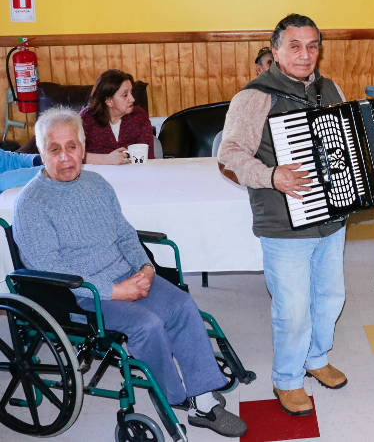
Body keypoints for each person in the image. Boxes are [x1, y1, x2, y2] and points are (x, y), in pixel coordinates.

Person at [13, 108, 246, 437]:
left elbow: (125, 234)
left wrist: (146, 267)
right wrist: (115, 291)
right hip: (83, 294)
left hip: (126, 272)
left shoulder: (96, 183)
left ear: (83, 147)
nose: (65, 157)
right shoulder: (32, 204)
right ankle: (177, 396)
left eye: (72, 147)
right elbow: (51, 267)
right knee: (147, 325)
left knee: (181, 305)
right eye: (54, 149)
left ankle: (204, 399)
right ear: (41, 152)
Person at [218, 13, 374, 416]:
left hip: (332, 217)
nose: (305, 54)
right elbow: (229, 155)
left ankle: (317, 358)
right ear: (276, 51)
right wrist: (271, 175)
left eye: (312, 46)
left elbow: (348, 145)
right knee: (293, 307)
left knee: (330, 295)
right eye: (295, 46)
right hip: (283, 224)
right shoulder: (254, 97)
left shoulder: (329, 87)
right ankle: (287, 379)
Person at [80, 69, 155, 164]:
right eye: (125, 95)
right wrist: (107, 159)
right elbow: (74, 156)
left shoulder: (139, 117)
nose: (132, 99)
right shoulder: (86, 118)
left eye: (131, 92)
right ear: (109, 101)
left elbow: (149, 157)